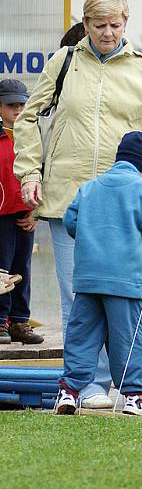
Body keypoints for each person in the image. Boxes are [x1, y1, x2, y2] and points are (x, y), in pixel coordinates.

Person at [13, 0, 142, 409]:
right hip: (69, 195)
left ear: (126, 23)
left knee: (122, 295)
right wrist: (29, 171)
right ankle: (85, 385)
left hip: (124, 201)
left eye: (116, 24)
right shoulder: (64, 61)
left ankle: (120, 382)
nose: (108, 33)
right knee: (78, 297)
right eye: (99, 24)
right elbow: (28, 116)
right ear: (85, 24)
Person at [54, 132, 142, 415]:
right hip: (125, 281)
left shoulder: (91, 187)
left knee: (82, 336)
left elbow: (70, 221)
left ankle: (68, 392)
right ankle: (136, 396)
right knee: (129, 338)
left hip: (88, 279)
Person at [0, 79, 42, 344]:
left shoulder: (32, 134)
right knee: (1, 270)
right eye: (10, 105)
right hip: (1, 213)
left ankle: (19, 321)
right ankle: (0, 321)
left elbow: (42, 171)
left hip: (24, 212)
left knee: (22, 268)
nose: (17, 110)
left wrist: (35, 210)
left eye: (21, 104)